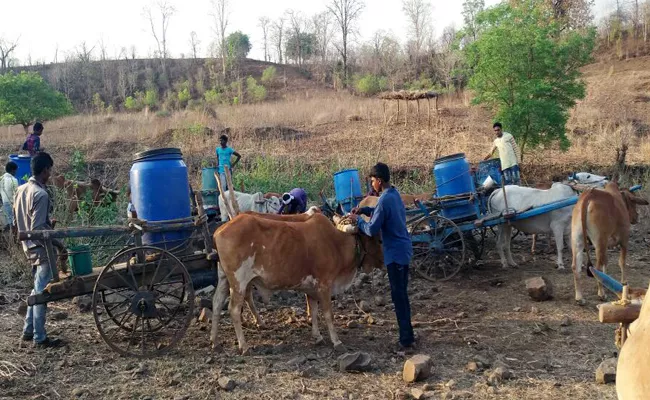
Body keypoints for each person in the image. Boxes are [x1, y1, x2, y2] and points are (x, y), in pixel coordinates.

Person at [349, 163, 415, 351]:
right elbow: (380, 213)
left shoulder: (384, 200)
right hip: (403, 250)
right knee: (401, 295)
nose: (372, 184)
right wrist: (363, 210)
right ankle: (408, 334)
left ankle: (406, 340)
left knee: (399, 296)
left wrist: (358, 220)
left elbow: (371, 230)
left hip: (395, 254)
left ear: (379, 181)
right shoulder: (392, 195)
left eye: (372, 181)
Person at [14, 152, 66, 348]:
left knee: (36, 290)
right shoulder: (41, 194)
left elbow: (25, 221)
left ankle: (28, 331)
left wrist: (46, 224)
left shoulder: (21, 190)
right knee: (42, 294)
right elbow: (37, 229)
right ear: (45, 170)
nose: (50, 174)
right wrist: (60, 245)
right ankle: (40, 337)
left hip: (28, 248)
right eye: (50, 170)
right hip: (41, 250)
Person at [1, 161, 19, 230]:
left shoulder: (1, 178)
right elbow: (16, 193)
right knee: (13, 219)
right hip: (11, 202)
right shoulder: (14, 180)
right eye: (15, 171)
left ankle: (9, 226)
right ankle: (12, 231)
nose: (16, 172)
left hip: (4, 201)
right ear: (13, 171)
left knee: (9, 217)